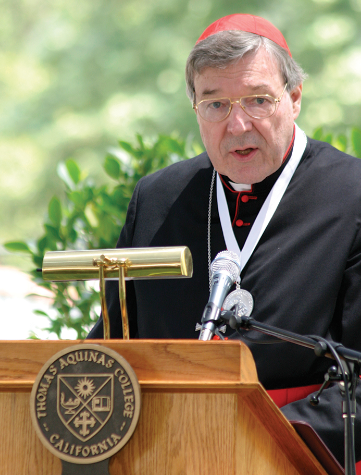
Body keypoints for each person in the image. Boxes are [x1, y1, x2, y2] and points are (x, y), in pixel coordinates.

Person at [88, 14, 361, 467]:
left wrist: (253, 439)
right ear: (195, 107)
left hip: (295, 457)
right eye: (215, 105)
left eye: (258, 100)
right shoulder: (159, 198)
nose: (237, 126)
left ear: (294, 99)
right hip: (161, 454)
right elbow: (115, 343)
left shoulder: (352, 195)